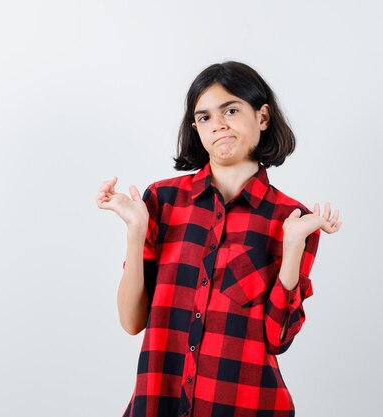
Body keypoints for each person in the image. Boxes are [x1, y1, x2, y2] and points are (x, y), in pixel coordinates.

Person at [96, 61, 342, 417]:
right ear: (195, 128)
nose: (219, 125)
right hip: (158, 403)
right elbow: (131, 322)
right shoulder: (162, 202)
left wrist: (292, 248)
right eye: (205, 117)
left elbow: (278, 338)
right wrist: (135, 232)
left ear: (262, 117)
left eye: (231, 110)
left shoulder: (292, 220)